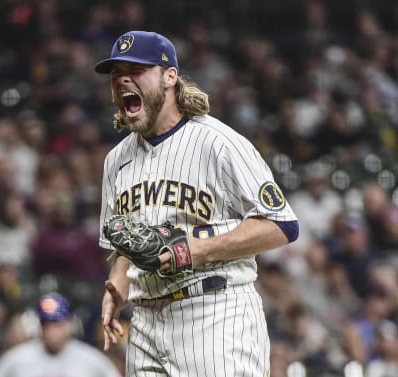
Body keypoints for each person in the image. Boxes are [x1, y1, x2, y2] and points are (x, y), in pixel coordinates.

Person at [94, 30, 299, 377]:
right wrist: (119, 283)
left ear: (170, 76)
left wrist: (197, 249)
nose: (123, 79)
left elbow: (282, 225)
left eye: (137, 69)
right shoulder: (116, 160)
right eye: (117, 73)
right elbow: (126, 242)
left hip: (214, 314)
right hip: (145, 321)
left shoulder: (218, 143)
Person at [0, 292, 121, 377]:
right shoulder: (18, 358)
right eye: (46, 324)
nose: (51, 330)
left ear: (69, 324)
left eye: (57, 323)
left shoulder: (91, 360)